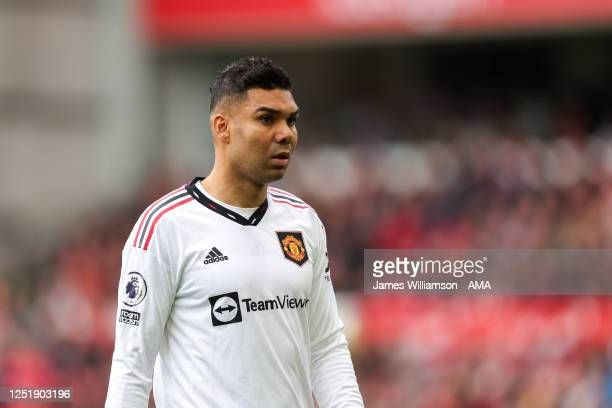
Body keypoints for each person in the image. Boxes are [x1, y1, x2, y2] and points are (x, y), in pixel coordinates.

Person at [105, 57, 364, 407]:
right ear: (222, 127)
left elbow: (326, 346)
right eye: (267, 119)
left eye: (291, 120)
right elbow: (132, 365)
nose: (285, 134)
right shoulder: (164, 227)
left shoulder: (303, 222)